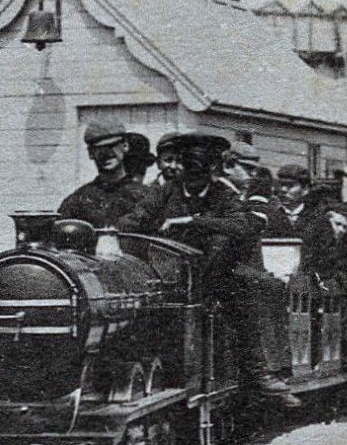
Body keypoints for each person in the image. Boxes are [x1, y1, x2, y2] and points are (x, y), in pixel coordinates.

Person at [118, 133, 298, 406]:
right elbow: (133, 220)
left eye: (201, 169)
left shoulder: (223, 195)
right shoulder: (165, 192)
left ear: (213, 170)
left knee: (241, 293)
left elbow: (241, 225)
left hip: (211, 272)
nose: (193, 177)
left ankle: (257, 372)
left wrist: (194, 221)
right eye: (189, 167)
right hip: (164, 272)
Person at [57, 118, 151, 228]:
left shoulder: (147, 197)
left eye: (112, 146)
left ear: (125, 146)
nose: (107, 154)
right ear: (90, 153)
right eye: (100, 149)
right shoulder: (78, 201)